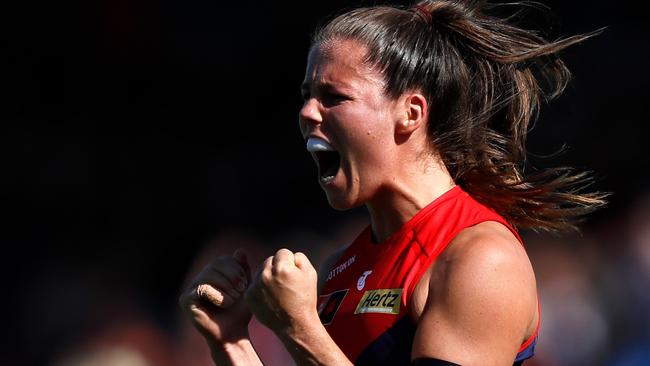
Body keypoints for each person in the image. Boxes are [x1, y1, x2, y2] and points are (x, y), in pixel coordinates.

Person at [178, 0, 606, 365]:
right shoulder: (341, 267)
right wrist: (230, 340)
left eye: (333, 97)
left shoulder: (479, 258)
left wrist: (301, 328)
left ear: (412, 113)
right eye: (306, 95)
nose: (307, 112)